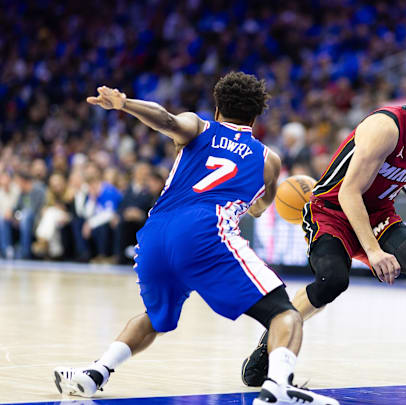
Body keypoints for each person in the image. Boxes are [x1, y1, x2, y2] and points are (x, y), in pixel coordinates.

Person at [53, 74, 338, 405]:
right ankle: (278, 387)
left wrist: (126, 104)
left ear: (217, 108)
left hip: (156, 235)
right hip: (205, 231)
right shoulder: (268, 160)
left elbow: (166, 119)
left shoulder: (199, 127)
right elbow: (260, 209)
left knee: (155, 318)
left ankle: (96, 373)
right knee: (284, 312)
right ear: (256, 117)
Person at [241, 55, 406, 397]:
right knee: (333, 281)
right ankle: (270, 344)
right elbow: (350, 191)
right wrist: (373, 250)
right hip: (332, 209)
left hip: (377, 211)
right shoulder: (384, 127)